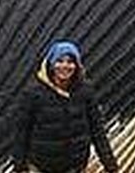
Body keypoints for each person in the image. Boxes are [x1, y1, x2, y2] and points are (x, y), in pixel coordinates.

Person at [12, 40, 120, 173]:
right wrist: (19, 168)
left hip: (76, 166)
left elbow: (97, 130)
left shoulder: (85, 91)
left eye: (70, 61)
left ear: (76, 65)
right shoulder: (34, 93)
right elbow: (21, 133)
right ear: (51, 64)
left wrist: (111, 166)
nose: (65, 66)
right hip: (42, 167)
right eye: (59, 61)